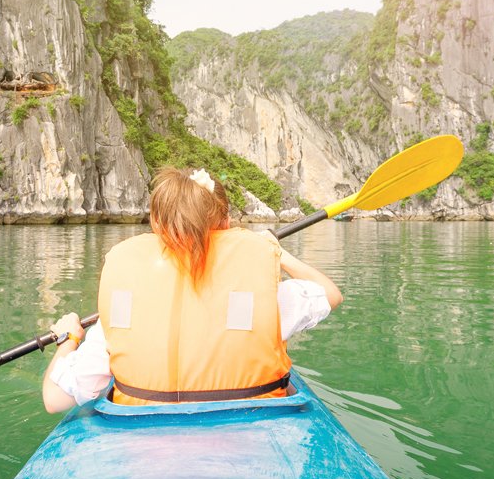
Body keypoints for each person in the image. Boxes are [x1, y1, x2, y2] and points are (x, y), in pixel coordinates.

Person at [42, 167, 342, 412]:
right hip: (251, 429)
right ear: (226, 224)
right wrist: (277, 252)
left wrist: (70, 338)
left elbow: (54, 400)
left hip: (146, 444)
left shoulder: (122, 303)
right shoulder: (267, 295)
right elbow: (330, 294)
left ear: (157, 226)